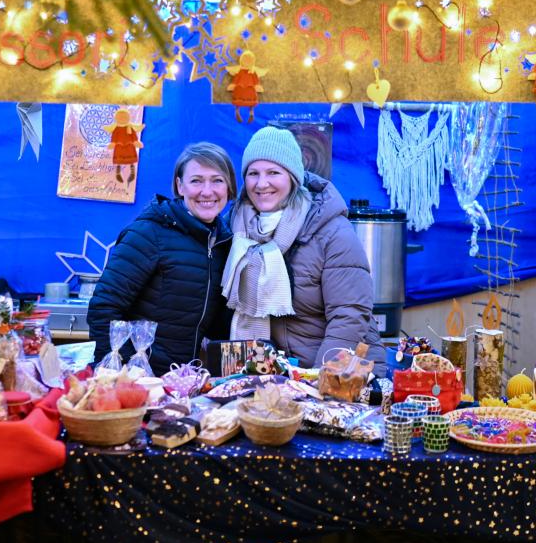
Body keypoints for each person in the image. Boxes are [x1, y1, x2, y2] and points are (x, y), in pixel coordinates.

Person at [222, 126, 378, 367]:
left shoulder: (331, 230)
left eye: (273, 172)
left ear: (293, 178)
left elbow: (349, 316)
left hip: (337, 372)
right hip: (272, 372)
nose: (262, 184)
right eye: (253, 173)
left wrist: (318, 380)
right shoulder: (235, 227)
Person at [88, 142, 235, 375]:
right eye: (196, 180)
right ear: (180, 186)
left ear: (229, 187)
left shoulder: (224, 243)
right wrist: (124, 371)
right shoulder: (149, 234)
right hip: (140, 380)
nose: (207, 191)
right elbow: (104, 307)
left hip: (184, 381)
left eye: (217, 180)